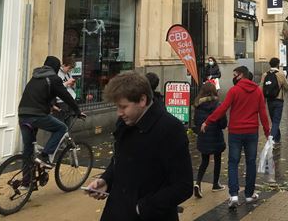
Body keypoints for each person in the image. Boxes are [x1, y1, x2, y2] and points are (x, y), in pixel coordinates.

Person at [85, 72, 193, 220]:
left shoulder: (170, 129)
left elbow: (183, 186)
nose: (119, 113)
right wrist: (106, 181)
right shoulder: (125, 122)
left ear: (142, 100)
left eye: (123, 107)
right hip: (115, 211)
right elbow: (120, 158)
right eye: (117, 107)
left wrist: (142, 208)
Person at [202, 66, 269, 209]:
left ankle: (233, 195)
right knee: (251, 163)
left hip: (236, 132)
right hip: (251, 132)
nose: (233, 77)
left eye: (235, 74)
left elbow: (222, 109)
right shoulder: (257, 91)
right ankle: (250, 195)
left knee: (233, 162)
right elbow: (263, 113)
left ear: (241, 75)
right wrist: (268, 132)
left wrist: (208, 121)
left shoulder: (234, 90)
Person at [18, 56, 84, 171]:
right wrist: (77, 111)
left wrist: (50, 106)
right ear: (56, 67)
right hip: (36, 115)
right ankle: (45, 156)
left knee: (28, 149)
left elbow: (37, 96)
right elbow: (66, 96)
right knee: (62, 128)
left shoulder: (35, 77)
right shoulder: (54, 78)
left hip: (23, 114)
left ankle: (26, 181)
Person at [193, 82, 226, 198]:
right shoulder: (218, 104)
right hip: (216, 136)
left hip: (204, 136)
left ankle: (197, 183)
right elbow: (223, 124)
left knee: (204, 161)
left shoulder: (198, 105)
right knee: (217, 159)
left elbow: (196, 123)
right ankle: (216, 184)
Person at [260, 57, 288, 143]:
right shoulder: (280, 74)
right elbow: (287, 86)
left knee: (274, 120)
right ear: (277, 64)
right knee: (276, 121)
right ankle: (271, 138)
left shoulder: (265, 74)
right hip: (278, 100)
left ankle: (277, 138)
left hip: (269, 100)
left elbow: (261, 87)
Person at [55, 56, 77, 121]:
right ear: (64, 65)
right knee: (62, 121)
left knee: (68, 121)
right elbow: (57, 87)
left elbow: (72, 86)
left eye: (71, 69)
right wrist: (67, 83)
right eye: (69, 68)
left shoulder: (68, 73)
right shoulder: (57, 73)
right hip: (61, 101)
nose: (70, 70)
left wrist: (73, 84)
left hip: (69, 99)